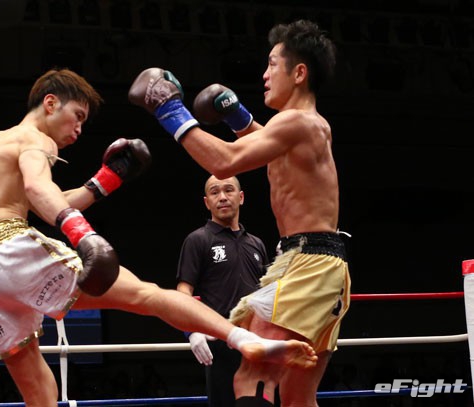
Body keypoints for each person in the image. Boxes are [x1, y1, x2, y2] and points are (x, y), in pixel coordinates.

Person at [0, 68, 318, 407]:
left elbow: (46, 201)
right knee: (148, 295)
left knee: (33, 379)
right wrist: (83, 234)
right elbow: (39, 188)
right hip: (8, 247)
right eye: (77, 116)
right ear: (50, 103)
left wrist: (106, 180)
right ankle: (245, 340)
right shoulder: (37, 140)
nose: (79, 129)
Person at [129, 19, 351, 406]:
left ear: (299, 73)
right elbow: (269, 150)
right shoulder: (304, 126)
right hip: (321, 264)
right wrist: (236, 116)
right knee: (297, 396)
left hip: (308, 266)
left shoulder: (296, 121)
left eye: (272, 65)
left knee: (252, 375)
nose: (264, 75)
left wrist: (170, 110)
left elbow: (226, 162)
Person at [178, 175, 268, 407]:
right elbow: (183, 291)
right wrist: (191, 331)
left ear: (241, 197)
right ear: (207, 202)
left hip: (257, 341)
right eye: (215, 192)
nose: (222, 197)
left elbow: (267, 294)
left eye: (228, 190)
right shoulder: (198, 240)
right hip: (219, 341)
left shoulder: (256, 244)